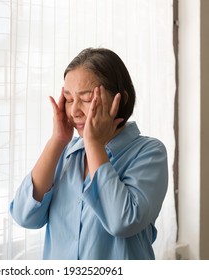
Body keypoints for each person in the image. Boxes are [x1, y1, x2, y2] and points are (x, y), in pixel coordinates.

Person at [9, 47, 168, 260]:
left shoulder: (149, 153)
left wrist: (94, 144)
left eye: (85, 99)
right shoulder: (64, 153)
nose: (74, 111)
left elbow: (122, 221)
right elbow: (24, 216)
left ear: (119, 100)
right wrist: (57, 141)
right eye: (68, 99)